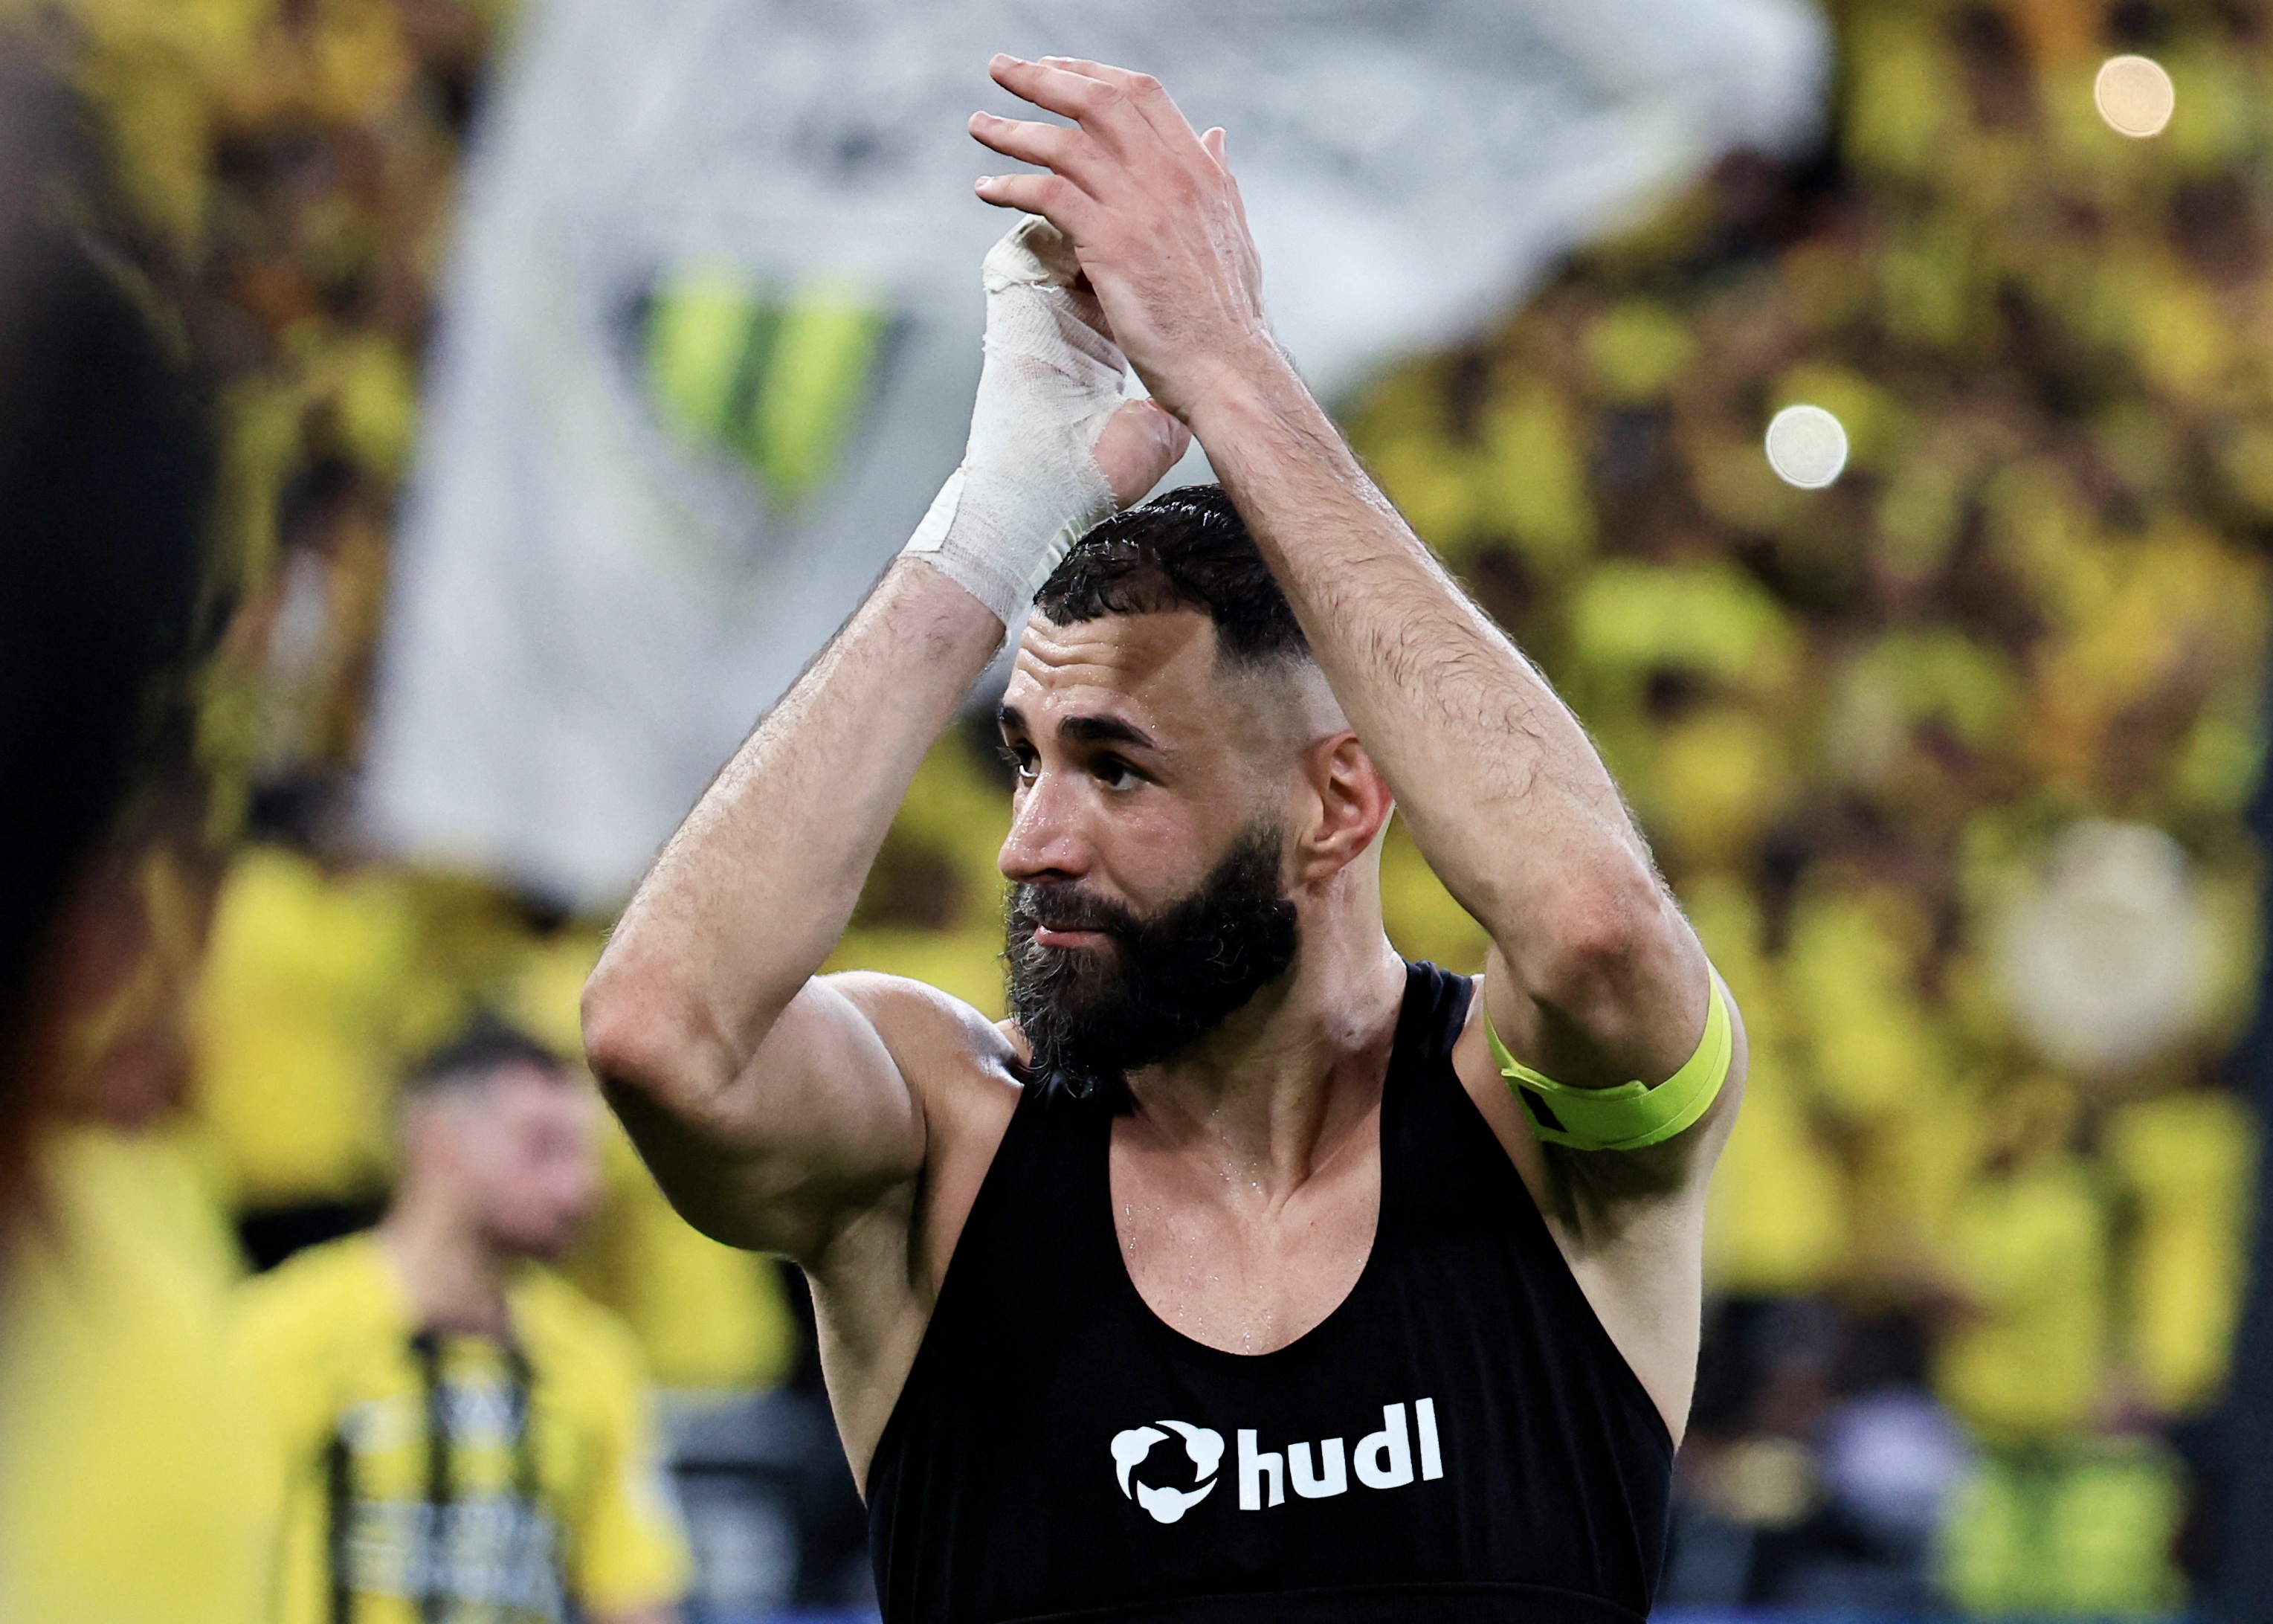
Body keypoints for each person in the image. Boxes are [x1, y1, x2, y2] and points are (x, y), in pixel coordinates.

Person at [585, 54, 1747, 1624]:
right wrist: (994, 514)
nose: (1030, 842)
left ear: (1338, 804)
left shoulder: (1534, 1138)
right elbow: (661, 1029)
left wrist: (1226, 363)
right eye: (1022, 759)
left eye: (1117, 770)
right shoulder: (943, 1149)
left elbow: (1597, 925)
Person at [236, 1019, 689, 1624]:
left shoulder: (594, 1356)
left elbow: (633, 1592)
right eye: (542, 1146)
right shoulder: (282, 1331)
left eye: (584, 1155)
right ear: (439, 1141)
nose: (579, 1188)